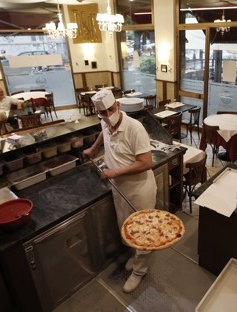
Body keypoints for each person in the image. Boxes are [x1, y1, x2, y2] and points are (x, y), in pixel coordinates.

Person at [82, 89, 157, 293]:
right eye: (103, 113)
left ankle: (140, 271)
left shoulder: (135, 128)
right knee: (127, 227)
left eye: (110, 110)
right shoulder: (105, 122)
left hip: (139, 189)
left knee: (142, 231)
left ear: (118, 105)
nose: (108, 115)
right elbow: (102, 132)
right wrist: (93, 148)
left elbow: (146, 162)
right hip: (119, 187)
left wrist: (114, 171)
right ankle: (136, 257)